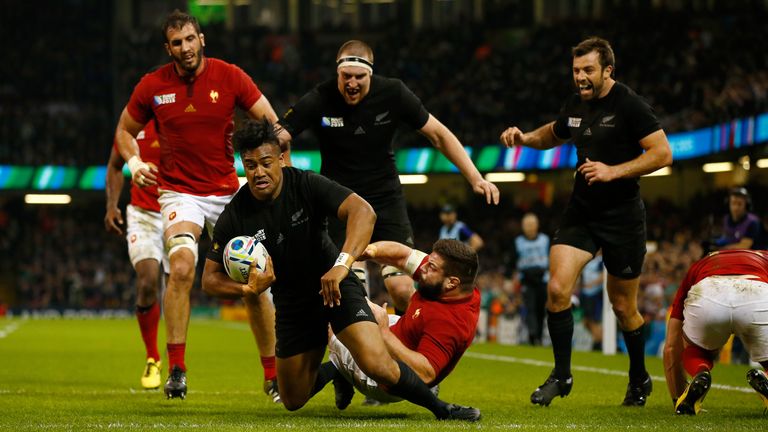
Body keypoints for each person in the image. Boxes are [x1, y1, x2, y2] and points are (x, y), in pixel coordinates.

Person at [202, 118, 480, 421]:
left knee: (376, 363)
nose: (259, 172)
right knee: (292, 398)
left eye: (266, 162)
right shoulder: (235, 215)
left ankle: (443, 409)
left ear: (281, 158)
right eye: (250, 165)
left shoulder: (305, 184)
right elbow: (210, 280)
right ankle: (337, 370)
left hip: (334, 284)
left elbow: (363, 211)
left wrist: (342, 264)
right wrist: (248, 289)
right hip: (293, 303)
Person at [114, 10, 279, 400]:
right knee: (183, 266)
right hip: (179, 193)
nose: (185, 48)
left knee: (255, 278)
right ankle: (176, 369)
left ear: (201, 39)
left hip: (227, 192)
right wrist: (135, 163)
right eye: (177, 43)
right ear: (167, 48)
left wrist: (276, 168)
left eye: (190, 39)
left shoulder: (230, 76)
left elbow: (271, 122)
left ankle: (271, 374)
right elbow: (124, 130)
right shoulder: (152, 85)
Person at [500, 36, 673, 407]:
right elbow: (555, 132)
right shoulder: (576, 103)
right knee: (558, 290)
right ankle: (561, 376)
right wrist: (524, 138)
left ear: (608, 70)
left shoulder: (629, 104)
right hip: (581, 212)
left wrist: (614, 171)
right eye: (576, 69)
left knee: (624, 308)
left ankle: (639, 377)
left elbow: (662, 152)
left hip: (623, 217)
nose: (580, 77)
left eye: (588, 70)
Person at [277, 39, 499, 312]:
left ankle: (411, 352)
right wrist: (288, 182)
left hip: (385, 199)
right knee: (350, 291)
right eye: (346, 76)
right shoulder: (320, 97)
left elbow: (438, 134)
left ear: (371, 73)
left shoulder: (393, 93)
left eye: (359, 77)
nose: (352, 83)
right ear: (337, 73)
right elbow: (279, 137)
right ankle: (359, 352)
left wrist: (476, 177)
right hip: (340, 204)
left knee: (402, 289)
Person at [313, 238, 480, 407]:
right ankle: (342, 371)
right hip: (401, 330)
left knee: (336, 323)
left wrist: (384, 332)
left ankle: (339, 373)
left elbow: (426, 374)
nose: (423, 267)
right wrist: (372, 250)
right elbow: (403, 255)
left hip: (388, 381)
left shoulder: (449, 322)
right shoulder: (454, 285)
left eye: (431, 267)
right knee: (374, 314)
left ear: (452, 282)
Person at [663, 249, 768, 415]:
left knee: (696, 350)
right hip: (757, 291)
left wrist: (678, 399)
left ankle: (700, 373)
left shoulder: (698, 266)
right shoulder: (765, 257)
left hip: (708, 292)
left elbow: (671, 346)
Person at [104, 119, 164, 389]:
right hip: (143, 214)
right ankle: (153, 356)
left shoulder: (186, 119)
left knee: (178, 285)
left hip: (182, 211)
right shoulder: (134, 127)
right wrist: (111, 206)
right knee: (148, 281)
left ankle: (177, 364)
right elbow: (115, 165)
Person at [514, 213, 549, 346]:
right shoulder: (518, 242)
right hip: (526, 278)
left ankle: (539, 336)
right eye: (526, 225)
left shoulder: (545, 240)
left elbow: (550, 258)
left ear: (537, 225)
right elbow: (514, 261)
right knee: (530, 307)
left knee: (540, 308)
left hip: (542, 278)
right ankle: (532, 335)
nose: (529, 228)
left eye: (531, 224)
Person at [578, 253, 604, 352]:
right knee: (586, 321)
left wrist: (592, 284)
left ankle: (599, 342)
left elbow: (604, 275)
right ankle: (598, 340)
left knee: (593, 321)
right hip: (584, 293)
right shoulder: (586, 259)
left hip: (594, 294)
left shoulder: (601, 261)